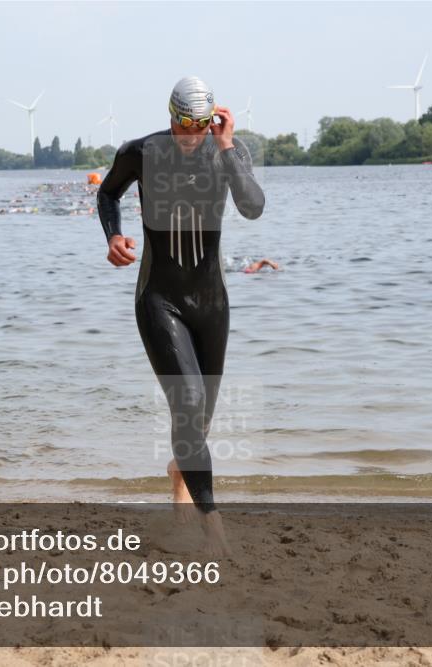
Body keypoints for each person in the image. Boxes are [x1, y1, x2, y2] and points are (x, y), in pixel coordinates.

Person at [96, 76, 265, 555]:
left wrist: (228, 146)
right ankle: (213, 527)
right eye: (181, 125)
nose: (190, 136)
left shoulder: (227, 153)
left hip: (212, 304)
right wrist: (113, 236)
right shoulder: (142, 152)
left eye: (199, 126)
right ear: (170, 118)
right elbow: (107, 194)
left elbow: (252, 207)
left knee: (201, 419)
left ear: (211, 121)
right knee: (187, 400)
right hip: (159, 298)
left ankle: (180, 474)